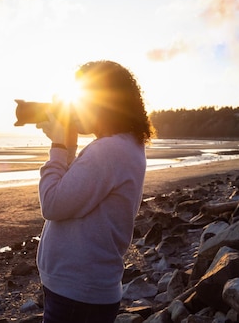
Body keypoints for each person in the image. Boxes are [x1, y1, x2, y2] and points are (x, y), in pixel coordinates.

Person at [36, 60, 153, 323]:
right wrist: (69, 146)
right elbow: (76, 192)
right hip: (82, 290)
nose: (75, 110)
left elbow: (52, 204)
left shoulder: (108, 150)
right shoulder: (125, 145)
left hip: (77, 294)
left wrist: (57, 145)